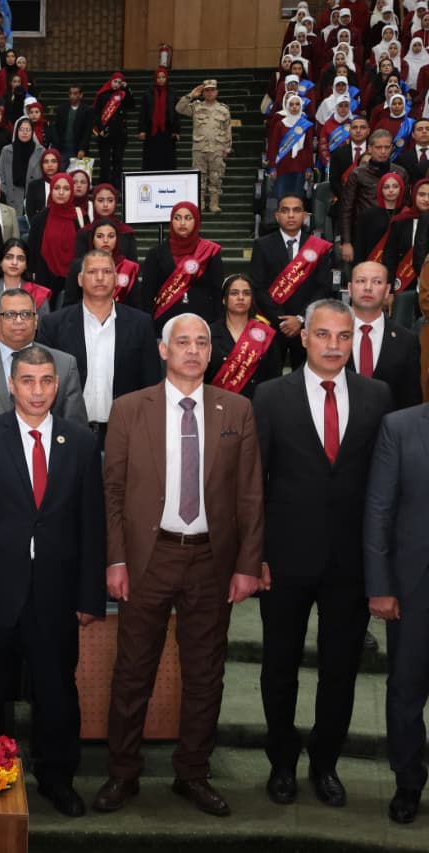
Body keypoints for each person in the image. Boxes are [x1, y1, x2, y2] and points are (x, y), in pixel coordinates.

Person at [92, 313, 265, 818]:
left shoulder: (237, 409)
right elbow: (113, 492)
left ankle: (193, 772)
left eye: (201, 342)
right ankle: (123, 772)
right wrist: (116, 558)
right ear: (163, 350)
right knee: (133, 670)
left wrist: (248, 563)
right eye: (182, 342)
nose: (192, 350)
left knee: (206, 673)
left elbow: (251, 495)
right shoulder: (129, 408)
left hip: (212, 559)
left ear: (212, 352)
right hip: (149, 556)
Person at [0, 344, 105, 818]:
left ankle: (57, 780)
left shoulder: (81, 443)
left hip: (56, 593)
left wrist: (89, 595)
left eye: (47, 381)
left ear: (58, 386)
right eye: (28, 381)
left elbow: (92, 525)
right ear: (12, 385)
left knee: (57, 692)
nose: (38, 391)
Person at [253, 298, 392, 809]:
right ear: (305, 336)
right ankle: (281, 761)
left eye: (343, 336)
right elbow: (255, 482)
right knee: (279, 667)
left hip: (350, 563)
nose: (334, 345)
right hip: (284, 559)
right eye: (323, 335)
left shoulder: (377, 395)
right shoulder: (270, 395)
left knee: (340, 670)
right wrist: (255, 555)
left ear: (353, 340)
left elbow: (384, 486)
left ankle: (325, 762)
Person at [364, 394, 429, 824]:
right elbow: (378, 510)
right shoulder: (400, 427)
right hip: (413, 586)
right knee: (406, 688)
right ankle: (408, 781)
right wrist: (380, 586)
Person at [0, 286, 88, 472]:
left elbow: (77, 437)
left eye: (26, 314)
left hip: (47, 476)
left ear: (36, 320)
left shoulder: (64, 364)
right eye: (10, 315)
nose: (19, 321)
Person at [37, 250, 161, 441]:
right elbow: (42, 380)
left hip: (125, 432)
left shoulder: (140, 323)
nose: (100, 277)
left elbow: (151, 383)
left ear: (116, 279)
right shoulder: (54, 324)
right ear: (80, 279)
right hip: (67, 431)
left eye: (107, 271)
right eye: (92, 272)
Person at [249, 194, 334, 369]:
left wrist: (300, 318)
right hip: (272, 325)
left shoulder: (318, 246)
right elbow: (257, 287)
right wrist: (281, 321)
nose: (290, 215)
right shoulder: (262, 245)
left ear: (305, 215)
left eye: (296, 210)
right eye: (285, 211)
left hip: (307, 325)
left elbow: (323, 288)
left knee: (305, 378)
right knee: (270, 377)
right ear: (277, 216)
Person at [136, 202, 224, 334]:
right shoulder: (156, 253)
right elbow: (147, 294)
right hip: (165, 324)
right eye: (177, 218)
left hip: (203, 322)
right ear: (171, 221)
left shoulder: (210, 251)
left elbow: (217, 292)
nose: (182, 223)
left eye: (188, 218)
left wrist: (218, 325)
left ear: (196, 221)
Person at [347, 261, 421, 410]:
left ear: (387, 290)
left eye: (377, 282)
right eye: (361, 281)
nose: (368, 287)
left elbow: (411, 402)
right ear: (349, 288)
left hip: (389, 422)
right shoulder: (329, 335)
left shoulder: (407, 340)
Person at [205, 274, 284, 399]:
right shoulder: (208, 333)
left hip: (257, 404)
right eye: (234, 293)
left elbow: (275, 377)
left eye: (246, 293)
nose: (241, 298)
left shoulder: (265, 334)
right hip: (219, 404)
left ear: (252, 299)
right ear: (224, 299)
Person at [338, 130, 408, 265]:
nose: (383, 151)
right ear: (369, 148)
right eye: (378, 147)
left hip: (394, 232)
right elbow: (346, 209)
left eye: (387, 147)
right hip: (365, 233)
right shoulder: (357, 174)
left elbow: (405, 205)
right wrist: (346, 241)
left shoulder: (400, 172)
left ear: (392, 148)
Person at [176, 80, 232, 213]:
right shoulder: (196, 107)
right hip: (199, 148)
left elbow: (227, 129)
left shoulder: (223, 109)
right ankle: (199, 203)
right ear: (203, 92)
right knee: (198, 177)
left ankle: (214, 203)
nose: (210, 92)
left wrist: (227, 147)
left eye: (212, 90)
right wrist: (191, 95)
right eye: (207, 90)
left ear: (217, 92)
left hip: (217, 148)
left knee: (216, 177)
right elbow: (179, 108)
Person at [92, 72, 133, 190]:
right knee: (104, 161)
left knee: (117, 161)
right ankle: (104, 184)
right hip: (105, 133)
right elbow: (96, 114)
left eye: (119, 82)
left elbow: (131, 105)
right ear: (111, 81)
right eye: (115, 81)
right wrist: (100, 129)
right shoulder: (103, 95)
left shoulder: (123, 94)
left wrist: (127, 88)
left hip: (119, 134)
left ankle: (117, 186)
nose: (116, 84)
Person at [52, 85, 92, 165]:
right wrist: (56, 145)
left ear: (81, 95)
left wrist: (82, 148)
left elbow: (87, 132)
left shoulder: (87, 110)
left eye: (75, 93)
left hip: (78, 149)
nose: (72, 96)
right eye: (70, 93)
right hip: (62, 148)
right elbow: (56, 127)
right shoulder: (61, 109)